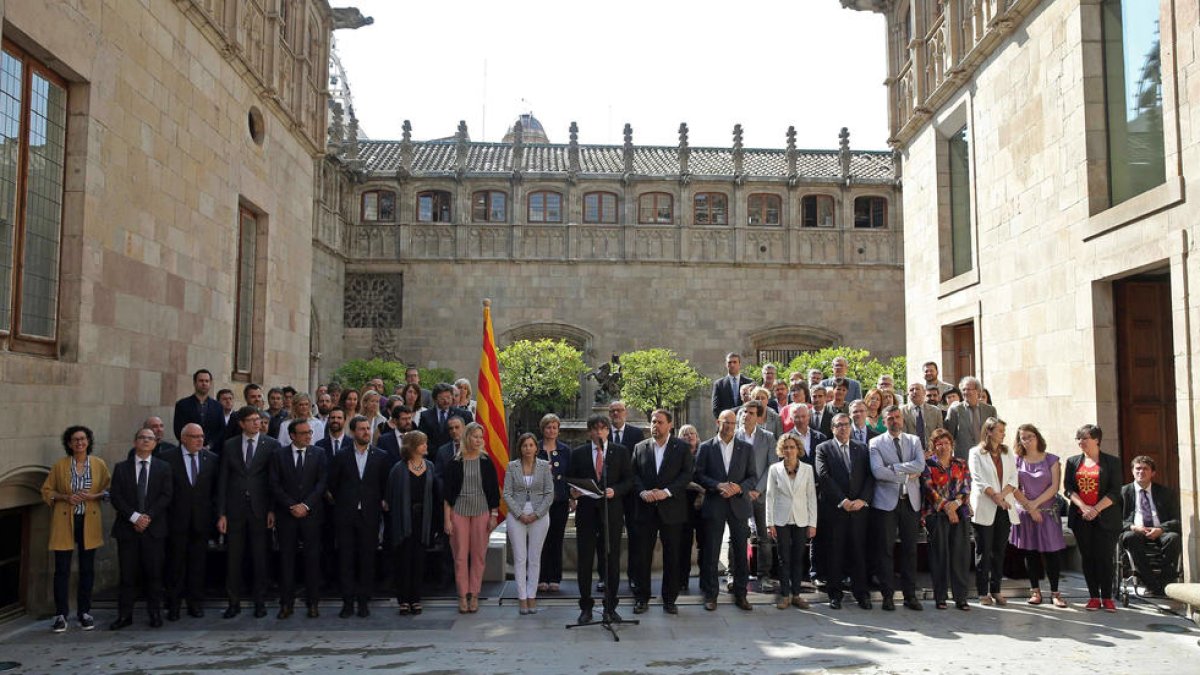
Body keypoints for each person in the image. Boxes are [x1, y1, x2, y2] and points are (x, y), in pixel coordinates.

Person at [42, 426, 111, 632]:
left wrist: (93, 496)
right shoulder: (60, 466)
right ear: (69, 443)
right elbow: (47, 491)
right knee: (61, 568)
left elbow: (108, 491)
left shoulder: (98, 464)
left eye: (83, 439)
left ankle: (84, 612)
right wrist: (65, 497)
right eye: (75, 440)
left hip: (89, 520)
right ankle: (61, 614)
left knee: (87, 568)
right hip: (65, 519)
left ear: (88, 441)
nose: (79, 443)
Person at [568, 414, 633, 624]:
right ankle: (586, 606)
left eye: (602, 429)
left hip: (610, 513)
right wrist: (574, 493)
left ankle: (610, 606)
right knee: (585, 561)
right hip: (586, 514)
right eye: (594, 429)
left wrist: (616, 490)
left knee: (611, 561)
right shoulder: (578, 453)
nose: (598, 433)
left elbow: (629, 479)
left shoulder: (619, 452)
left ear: (608, 431)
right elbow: (570, 479)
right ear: (589, 432)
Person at [109, 428, 174, 629]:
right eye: (142, 438)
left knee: (154, 574)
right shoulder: (121, 468)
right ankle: (124, 615)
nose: (146, 441)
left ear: (155, 443)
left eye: (150, 439)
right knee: (127, 575)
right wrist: (135, 517)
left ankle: (155, 613)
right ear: (135, 442)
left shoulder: (163, 467)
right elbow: (116, 496)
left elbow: (166, 495)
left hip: (154, 529)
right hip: (128, 530)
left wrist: (148, 517)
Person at [217, 406, 278, 618]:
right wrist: (221, 513)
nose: (257, 423)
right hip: (235, 510)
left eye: (259, 420)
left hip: (260, 510)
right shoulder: (230, 445)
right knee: (234, 558)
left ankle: (259, 601)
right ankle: (233, 602)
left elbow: (273, 482)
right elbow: (223, 479)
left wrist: (272, 510)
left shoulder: (271, 445)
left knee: (260, 557)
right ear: (241, 423)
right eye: (251, 420)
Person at [327, 415, 391, 618]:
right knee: (346, 559)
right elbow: (333, 484)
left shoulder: (380, 456)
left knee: (367, 559)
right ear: (353, 432)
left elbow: (384, 484)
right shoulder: (341, 455)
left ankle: (364, 601)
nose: (366, 432)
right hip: (346, 515)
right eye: (362, 429)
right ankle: (347, 602)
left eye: (368, 429)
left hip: (370, 515)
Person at [631, 409, 694, 615]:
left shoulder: (681, 447)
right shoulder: (640, 447)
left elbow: (686, 475)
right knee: (642, 556)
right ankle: (642, 598)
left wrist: (666, 492)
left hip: (672, 509)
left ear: (670, 425)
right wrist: (642, 492)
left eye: (659, 422)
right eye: (652, 422)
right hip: (645, 509)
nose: (654, 426)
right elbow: (634, 474)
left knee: (672, 556)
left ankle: (669, 599)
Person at [694, 409, 757, 611]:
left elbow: (752, 477)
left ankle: (741, 594)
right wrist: (718, 485)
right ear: (717, 422)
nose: (729, 426)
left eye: (732, 422)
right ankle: (711, 595)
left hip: (738, 504)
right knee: (711, 551)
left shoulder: (746, 448)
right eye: (725, 422)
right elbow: (699, 475)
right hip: (715, 503)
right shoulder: (706, 447)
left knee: (740, 552)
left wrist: (739, 488)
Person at [867, 406, 926, 611]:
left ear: (902, 418)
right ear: (884, 421)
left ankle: (910, 595)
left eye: (897, 417)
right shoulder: (875, 442)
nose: (894, 421)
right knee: (885, 550)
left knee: (910, 550)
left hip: (910, 501)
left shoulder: (914, 440)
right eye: (890, 418)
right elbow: (877, 472)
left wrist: (893, 468)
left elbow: (920, 465)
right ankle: (887, 595)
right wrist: (906, 474)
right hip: (885, 503)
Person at [814, 413, 874, 610]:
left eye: (846, 425)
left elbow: (870, 476)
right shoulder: (823, 448)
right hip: (835, 510)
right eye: (839, 425)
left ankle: (861, 594)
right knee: (835, 553)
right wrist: (843, 500)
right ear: (832, 428)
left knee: (859, 553)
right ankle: (835, 594)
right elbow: (823, 476)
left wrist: (862, 500)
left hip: (858, 510)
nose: (843, 428)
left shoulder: (862, 448)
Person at [270, 418, 328, 619]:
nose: (308, 436)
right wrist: (290, 505)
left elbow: (321, 483)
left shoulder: (319, 454)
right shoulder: (279, 455)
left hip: (311, 516)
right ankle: (286, 603)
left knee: (312, 560)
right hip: (287, 516)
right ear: (292, 435)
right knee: (287, 560)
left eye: (309, 433)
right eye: (303, 433)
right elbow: (275, 484)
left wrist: (306, 505)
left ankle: (313, 603)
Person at [443, 421, 502, 614]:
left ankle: (474, 595)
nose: (478, 440)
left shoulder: (486, 461)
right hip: (458, 512)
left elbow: (494, 491)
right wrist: (447, 520)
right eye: (475, 436)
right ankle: (462, 595)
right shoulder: (454, 462)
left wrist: (493, 516)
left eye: (480, 437)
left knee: (478, 555)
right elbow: (447, 494)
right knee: (460, 556)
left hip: (481, 511)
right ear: (467, 437)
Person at [1064, 424, 1123, 612]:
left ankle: (1107, 597)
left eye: (1085, 438)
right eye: (1078, 438)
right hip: (1081, 518)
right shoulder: (1073, 462)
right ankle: (1093, 597)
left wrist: (1096, 509)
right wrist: (1083, 507)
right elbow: (1068, 489)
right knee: (1088, 558)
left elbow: (1115, 492)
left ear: (1096, 439)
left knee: (1105, 557)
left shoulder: (1112, 462)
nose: (1081, 442)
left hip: (1106, 518)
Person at [1009, 424, 1068, 608]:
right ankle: (1035, 591)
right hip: (1026, 513)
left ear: (1037, 437)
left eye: (1029, 437)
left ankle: (1056, 593)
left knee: (1052, 553)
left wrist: (1036, 504)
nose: (1026, 441)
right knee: (1030, 552)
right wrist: (1029, 507)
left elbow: (1054, 487)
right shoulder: (1017, 461)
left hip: (1047, 513)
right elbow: (1013, 487)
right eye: (1022, 438)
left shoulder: (1051, 459)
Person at [163, 423, 218, 621]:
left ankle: (195, 603)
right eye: (195, 436)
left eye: (202, 436)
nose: (199, 440)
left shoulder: (211, 459)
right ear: (183, 438)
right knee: (175, 564)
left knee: (198, 564)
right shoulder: (168, 459)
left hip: (201, 522)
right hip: (176, 521)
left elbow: (215, 492)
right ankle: (174, 605)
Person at [385, 430, 439, 616]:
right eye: (422, 443)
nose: (426, 446)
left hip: (423, 521)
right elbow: (390, 497)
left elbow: (434, 494)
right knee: (403, 561)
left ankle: (416, 598)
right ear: (413, 446)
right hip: (403, 521)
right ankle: (403, 600)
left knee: (419, 561)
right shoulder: (398, 469)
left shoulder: (430, 466)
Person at [968, 417, 1017, 606]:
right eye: (1000, 431)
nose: (1003, 434)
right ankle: (982, 592)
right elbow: (978, 480)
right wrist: (996, 497)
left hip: (1004, 507)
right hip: (985, 506)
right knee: (983, 550)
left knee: (999, 551)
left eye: (1004, 431)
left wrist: (1002, 497)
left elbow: (1014, 477)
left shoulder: (1007, 452)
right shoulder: (976, 452)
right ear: (988, 432)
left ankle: (996, 589)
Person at [764, 434, 817, 610]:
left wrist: (812, 523)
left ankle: (796, 595)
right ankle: (785, 595)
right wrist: (769, 522)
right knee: (784, 558)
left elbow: (811, 497)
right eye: (785, 447)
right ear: (781, 450)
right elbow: (770, 496)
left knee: (798, 558)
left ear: (798, 449)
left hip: (801, 519)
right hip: (781, 519)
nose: (789, 450)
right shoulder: (774, 469)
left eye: (792, 447)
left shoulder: (807, 469)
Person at [504, 433, 554, 615]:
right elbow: (507, 493)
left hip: (539, 515)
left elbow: (549, 493)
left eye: (531, 445)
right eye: (524, 445)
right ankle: (522, 598)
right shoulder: (512, 466)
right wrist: (519, 514)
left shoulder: (543, 466)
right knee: (519, 558)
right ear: (520, 448)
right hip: (517, 515)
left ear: (536, 448)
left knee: (534, 557)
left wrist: (536, 514)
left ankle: (532, 596)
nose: (528, 449)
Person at [923, 429, 972, 610]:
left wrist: (955, 505)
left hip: (960, 513)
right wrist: (946, 507)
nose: (943, 447)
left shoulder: (961, 463)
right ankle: (940, 597)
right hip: (936, 515)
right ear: (933, 446)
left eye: (946, 443)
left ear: (952, 445)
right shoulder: (928, 465)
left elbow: (966, 488)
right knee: (939, 556)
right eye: (939, 444)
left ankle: (961, 598)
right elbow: (929, 490)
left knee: (960, 556)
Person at [1120, 456, 1182, 597]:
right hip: (1136, 531)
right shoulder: (1122, 493)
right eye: (1138, 469)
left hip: (1161, 531)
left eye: (1145, 469)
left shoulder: (1166, 493)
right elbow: (1115, 521)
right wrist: (1133, 527)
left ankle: (1165, 583)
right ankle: (1151, 584)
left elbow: (1178, 519)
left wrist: (1161, 529)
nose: (1141, 472)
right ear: (1132, 471)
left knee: (1174, 538)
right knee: (1130, 537)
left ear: (1153, 473)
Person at [738, 400, 778, 592]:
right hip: (738, 495)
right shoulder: (734, 436)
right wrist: (743, 490)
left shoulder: (768, 437)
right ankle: (737, 574)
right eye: (744, 412)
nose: (746, 415)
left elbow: (772, 465)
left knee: (764, 537)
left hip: (760, 495)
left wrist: (758, 490)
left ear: (759, 417)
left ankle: (764, 576)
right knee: (737, 536)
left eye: (751, 413)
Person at [607, 399, 644, 592]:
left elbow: (638, 464)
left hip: (631, 496)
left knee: (635, 537)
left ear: (625, 412)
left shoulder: (636, 434)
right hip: (609, 495)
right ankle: (607, 578)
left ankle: (634, 576)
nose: (616, 414)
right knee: (608, 538)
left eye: (619, 410)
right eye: (612, 411)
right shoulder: (603, 434)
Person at [536, 413, 572, 593]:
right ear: (543, 429)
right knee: (539, 539)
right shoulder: (534, 448)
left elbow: (570, 476)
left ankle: (555, 577)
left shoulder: (565, 450)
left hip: (560, 500)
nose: (551, 430)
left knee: (556, 538)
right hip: (538, 502)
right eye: (548, 427)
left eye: (554, 427)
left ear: (558, 430)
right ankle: (541, 577)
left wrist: (573, 497)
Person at [677, 424, 705, 594]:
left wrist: (703, 492)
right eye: (685, 434)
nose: (689, 436)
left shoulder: (705, 451)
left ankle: (705, 579)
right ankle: (682, 580)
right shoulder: (678, 453)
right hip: (684, 503)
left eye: (692, 433)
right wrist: (695, 487)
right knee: (684, 544)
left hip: (704, 503)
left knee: (704, 543)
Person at [945, 376, 997, 459]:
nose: (965, 392)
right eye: (963, 389)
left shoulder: (990, 410)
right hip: (964, 458)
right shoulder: (955, 410)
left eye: (968, 389)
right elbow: (949, 437)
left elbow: (995, 434)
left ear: (978, 391)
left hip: (986, 456)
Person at [173, 368, 224, 448]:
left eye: (207, 381)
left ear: (210, 383)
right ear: (194, 383)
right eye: (201, 381)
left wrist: (209, 445)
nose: (204, 383)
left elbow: (221, 430)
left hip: (211, 452)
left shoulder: (218, 406)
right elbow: (178, 430)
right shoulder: (182, 405)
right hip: (188, 448)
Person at [418, 383, 473, 453]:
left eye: (448, 397)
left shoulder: (464, 415)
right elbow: (422, 439)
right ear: (435, 399)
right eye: (442, 398)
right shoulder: (425, 416)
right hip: (432, 457)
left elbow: (469, 437)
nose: (446, 401)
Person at [902, 381, 944, 455]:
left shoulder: (935, 411)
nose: (914, 392)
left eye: (917, 389)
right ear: (908, 394)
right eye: (911, 390)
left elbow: (939, 434)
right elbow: (902, 435)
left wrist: (933, 451)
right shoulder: (901, 411)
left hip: (932, 453)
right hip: (910, 453)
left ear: (924, 392)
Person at [712, 352, 752, 418]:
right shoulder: (719, 384)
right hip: (726, 423)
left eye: (735, 362)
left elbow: (753, 405)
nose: (732, 365)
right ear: (726, 364)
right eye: (729, 362)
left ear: (739, 364)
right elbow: (716, 409)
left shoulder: (749, 383)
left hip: (745, 422)